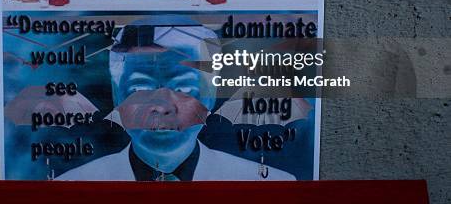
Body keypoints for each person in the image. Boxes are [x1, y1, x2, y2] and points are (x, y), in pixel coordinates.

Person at [57, 18, 296, 181]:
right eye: (140, 86)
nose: (162, 106)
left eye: (183, 87)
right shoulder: (66, 188)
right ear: (117, 94)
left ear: (211, 95)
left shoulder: (274, 184)